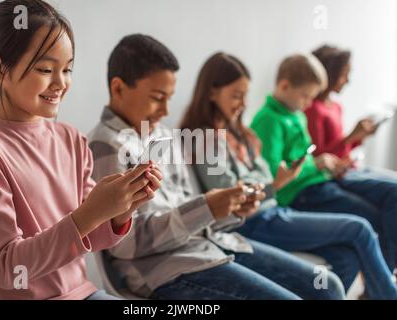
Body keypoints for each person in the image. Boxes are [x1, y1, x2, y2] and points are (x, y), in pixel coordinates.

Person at [88, 34, 346, 300]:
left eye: (170, 98)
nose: (166, 110)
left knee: (329, 286)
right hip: (166, 270)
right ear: (118, 89)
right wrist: (208, 208)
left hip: (209, 245)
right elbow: (126, 243)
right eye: (157, 97)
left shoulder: (162, 135)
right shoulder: (108, 146)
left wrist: (229, 209)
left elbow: (189, 207)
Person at [0, 0, 161, 300]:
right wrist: (90, 213)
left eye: (67, 69)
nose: (60, 82)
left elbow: (91, 234)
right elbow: (5, 267)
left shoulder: (71, 139)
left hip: (81, 292)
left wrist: (121, 209)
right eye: (46, 69)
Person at [180, 52, 397, 299]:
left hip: (273, 211)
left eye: (245, 96)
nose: (243, 104)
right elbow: (233, 193)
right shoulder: (205, 140)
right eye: (236, 96)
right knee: (359, 227)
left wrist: (266, 182)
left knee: (345, 256)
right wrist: (271, 185)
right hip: (254, 221)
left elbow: (261, 172)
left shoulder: (236, 133)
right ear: (211, 93)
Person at [251, 53, 397, 292]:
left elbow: (304, 156)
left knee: (387, 199)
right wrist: (316, 163)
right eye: (305, 96)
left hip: (321, 182)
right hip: (301, 193)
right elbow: (275, 174)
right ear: (284, 85)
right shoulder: (269, 120)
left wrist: (324, 163)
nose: (309, 103)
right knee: (369, 219)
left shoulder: (295, 114)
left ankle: (374, 289)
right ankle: (384, 291)